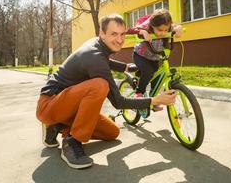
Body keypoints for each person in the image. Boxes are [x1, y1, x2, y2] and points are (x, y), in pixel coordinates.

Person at [36, 14, 176, 169]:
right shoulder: (94, 57)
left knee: (112, 132)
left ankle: (57, 126)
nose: (120, 39)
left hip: (69, 107)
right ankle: (72, 140)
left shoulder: (96, 45)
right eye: (113, 34)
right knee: (100, 85)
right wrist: (155, 100)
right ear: (102, 34)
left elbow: (105, 60)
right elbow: (119, 102)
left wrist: (125, 67)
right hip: (49, 105)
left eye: (122, 34)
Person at [126, 9, 182, 111]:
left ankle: (154, 100)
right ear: (152, 26)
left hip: (154, 57)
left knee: (157, 77)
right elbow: (128, 30)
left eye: (166, 30)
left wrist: (179, 28)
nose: (163, 33)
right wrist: (141, 31)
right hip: (140, 55)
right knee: (148, 71)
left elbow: (176, 27)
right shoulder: (146, 27)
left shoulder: (167, 27)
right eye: (160, 30)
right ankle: (138, 94)